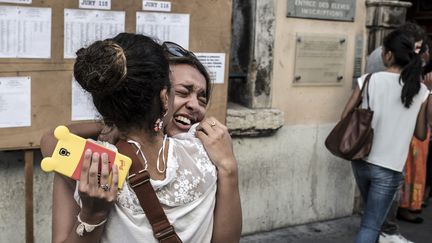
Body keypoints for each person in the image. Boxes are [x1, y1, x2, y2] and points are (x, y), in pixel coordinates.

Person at [40, 33, 241, 243]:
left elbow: (49, 141)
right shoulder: (207, 155)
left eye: (202, 98)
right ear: (164, 98)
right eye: (181, 92)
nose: (194, 106)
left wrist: (92, 215)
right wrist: (228, 167)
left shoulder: (93, 163)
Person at [342, 29, 432, 243]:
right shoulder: (421, 90)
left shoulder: (368, 80)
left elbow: (344, 116)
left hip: (361, 161)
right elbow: (421, 134)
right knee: (371, 225)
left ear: (389, 55)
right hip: (390, 168)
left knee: (372, 220)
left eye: (383, 50)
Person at [365, 22, 426, 243]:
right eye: (414, 47)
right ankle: (387, 231)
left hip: (381, 147)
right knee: (375, 215)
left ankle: (385, 230)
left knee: (374, 212)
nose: (417, 52)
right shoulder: (381, 64)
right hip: (385, 147)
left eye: (419, 48)